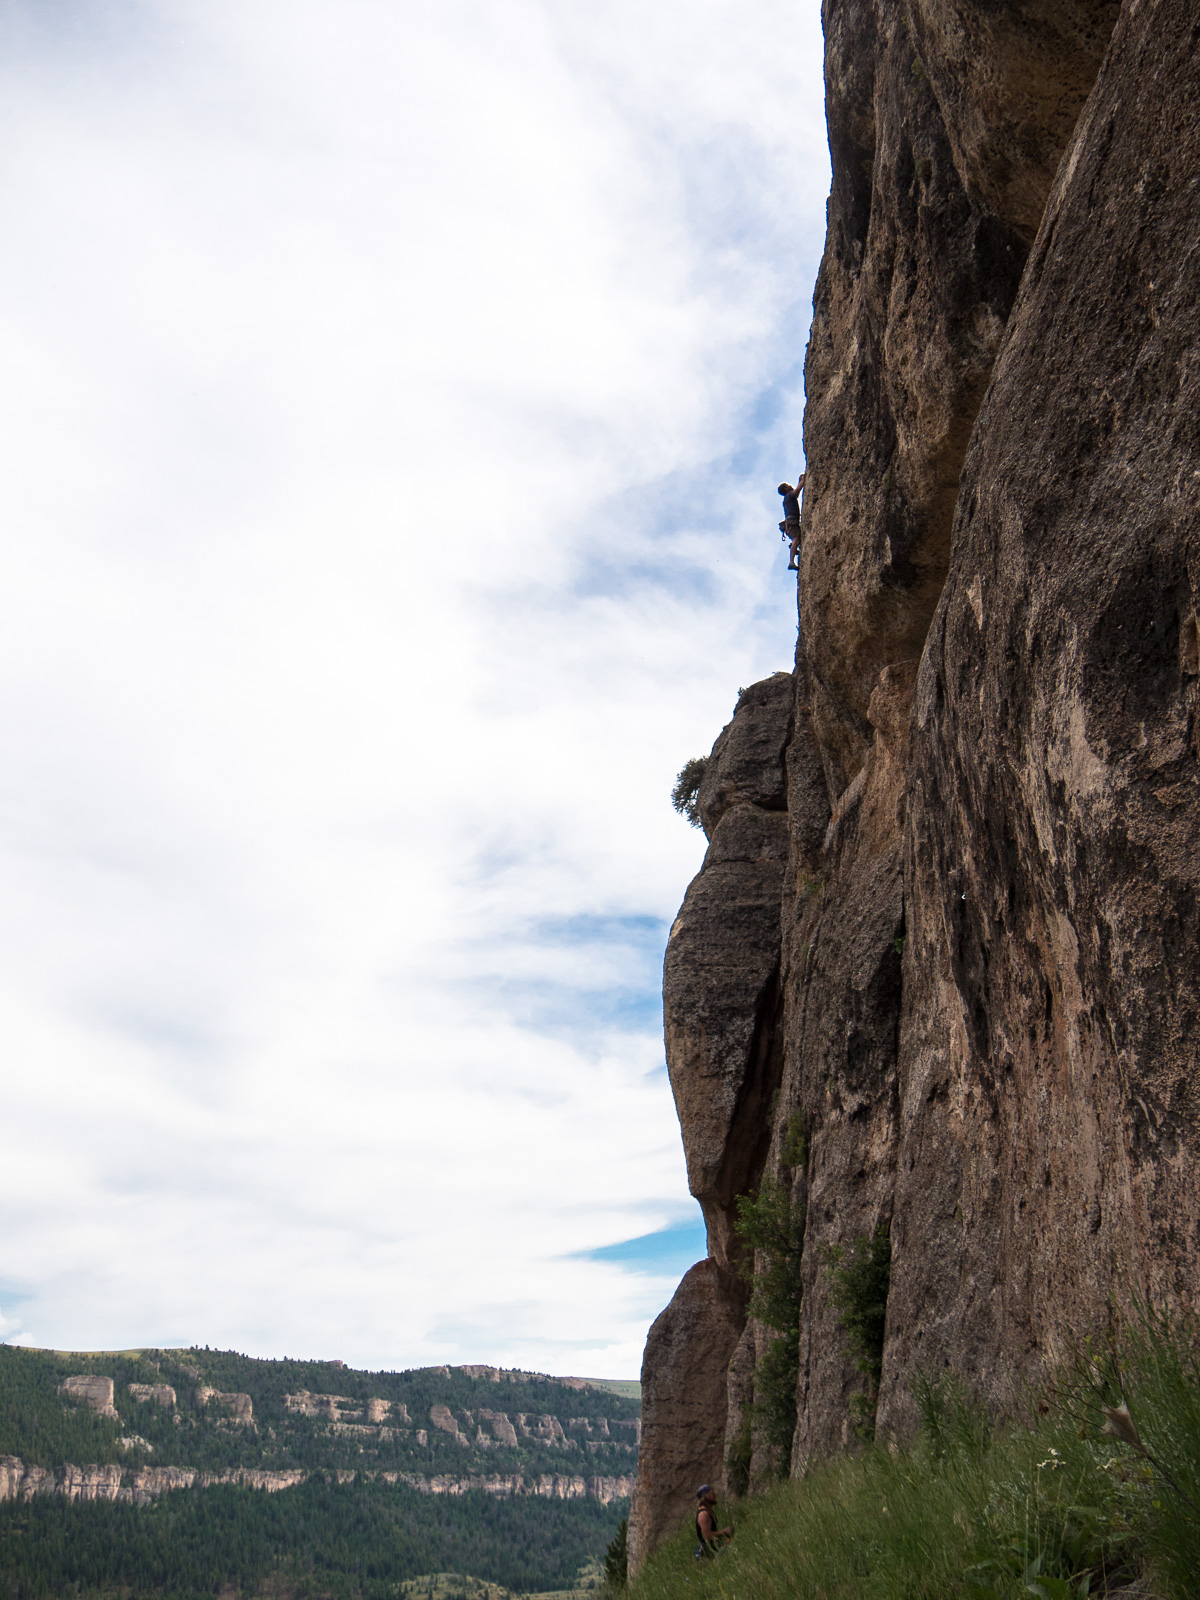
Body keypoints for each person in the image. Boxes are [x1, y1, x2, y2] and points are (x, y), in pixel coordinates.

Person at [694, 1484, 733, 1561]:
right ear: (705, 1496)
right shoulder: (703, 1514)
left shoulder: (708, 1511)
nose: (715, 1495)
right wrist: (724, 1532)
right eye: (712, 1493)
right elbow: (707, 1536)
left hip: (714, 1548)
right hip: (708, 1554)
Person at [778, 472, 806, 570]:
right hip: (792, 522)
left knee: (797, 538)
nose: (790, 485)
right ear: (786, 489)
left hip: (790, 522)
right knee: (796, 538)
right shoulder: (788, 496)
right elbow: (797, 490)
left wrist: (800, 481)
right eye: (788, 485)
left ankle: (793, 547)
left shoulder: (788, 498)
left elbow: (796, 493)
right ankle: (791, 562)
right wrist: (803, 481)